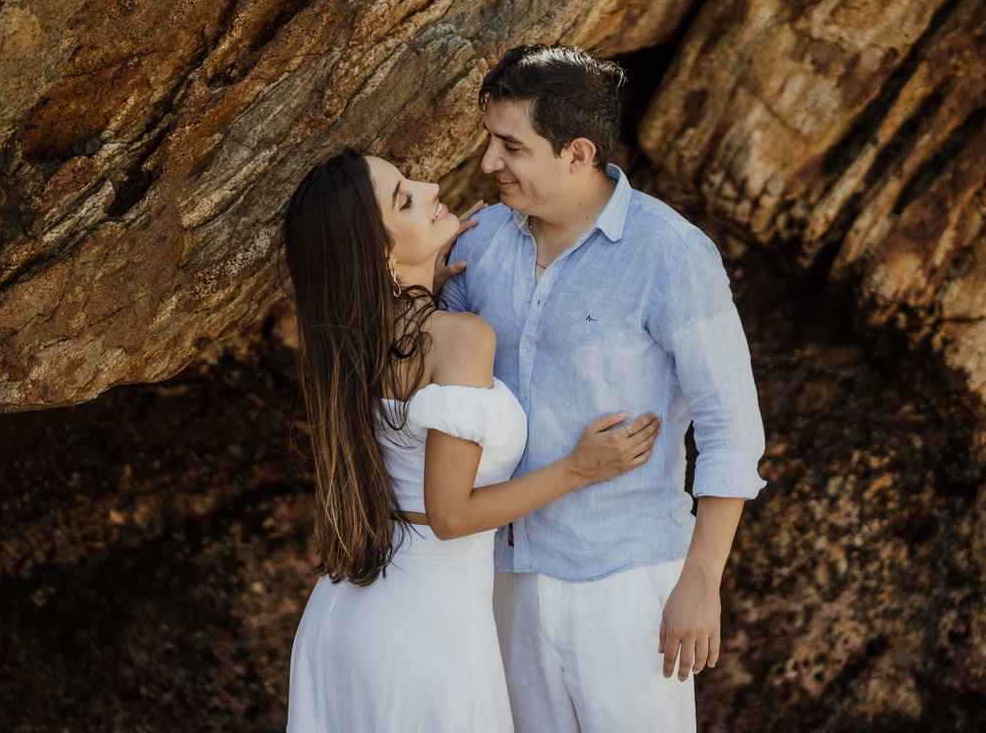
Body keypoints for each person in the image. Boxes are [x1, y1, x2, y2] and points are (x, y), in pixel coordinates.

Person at [440, 44, 767, 732]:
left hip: (629, 582)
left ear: (577, 153)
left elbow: (731, 426)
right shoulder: (485, 239)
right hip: (501, 575)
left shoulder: (671, 254)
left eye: (510, 147)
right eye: (489, 142)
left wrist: (701, 582)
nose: (488, 163)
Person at [282, 148, 661, 733]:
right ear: (377, 252)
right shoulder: (459, 338)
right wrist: (579, 469)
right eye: (406, 198)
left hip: (348, 615)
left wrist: (424, 274)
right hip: (425, 626)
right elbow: (451, 515)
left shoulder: (351, 338)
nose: (433, 186)